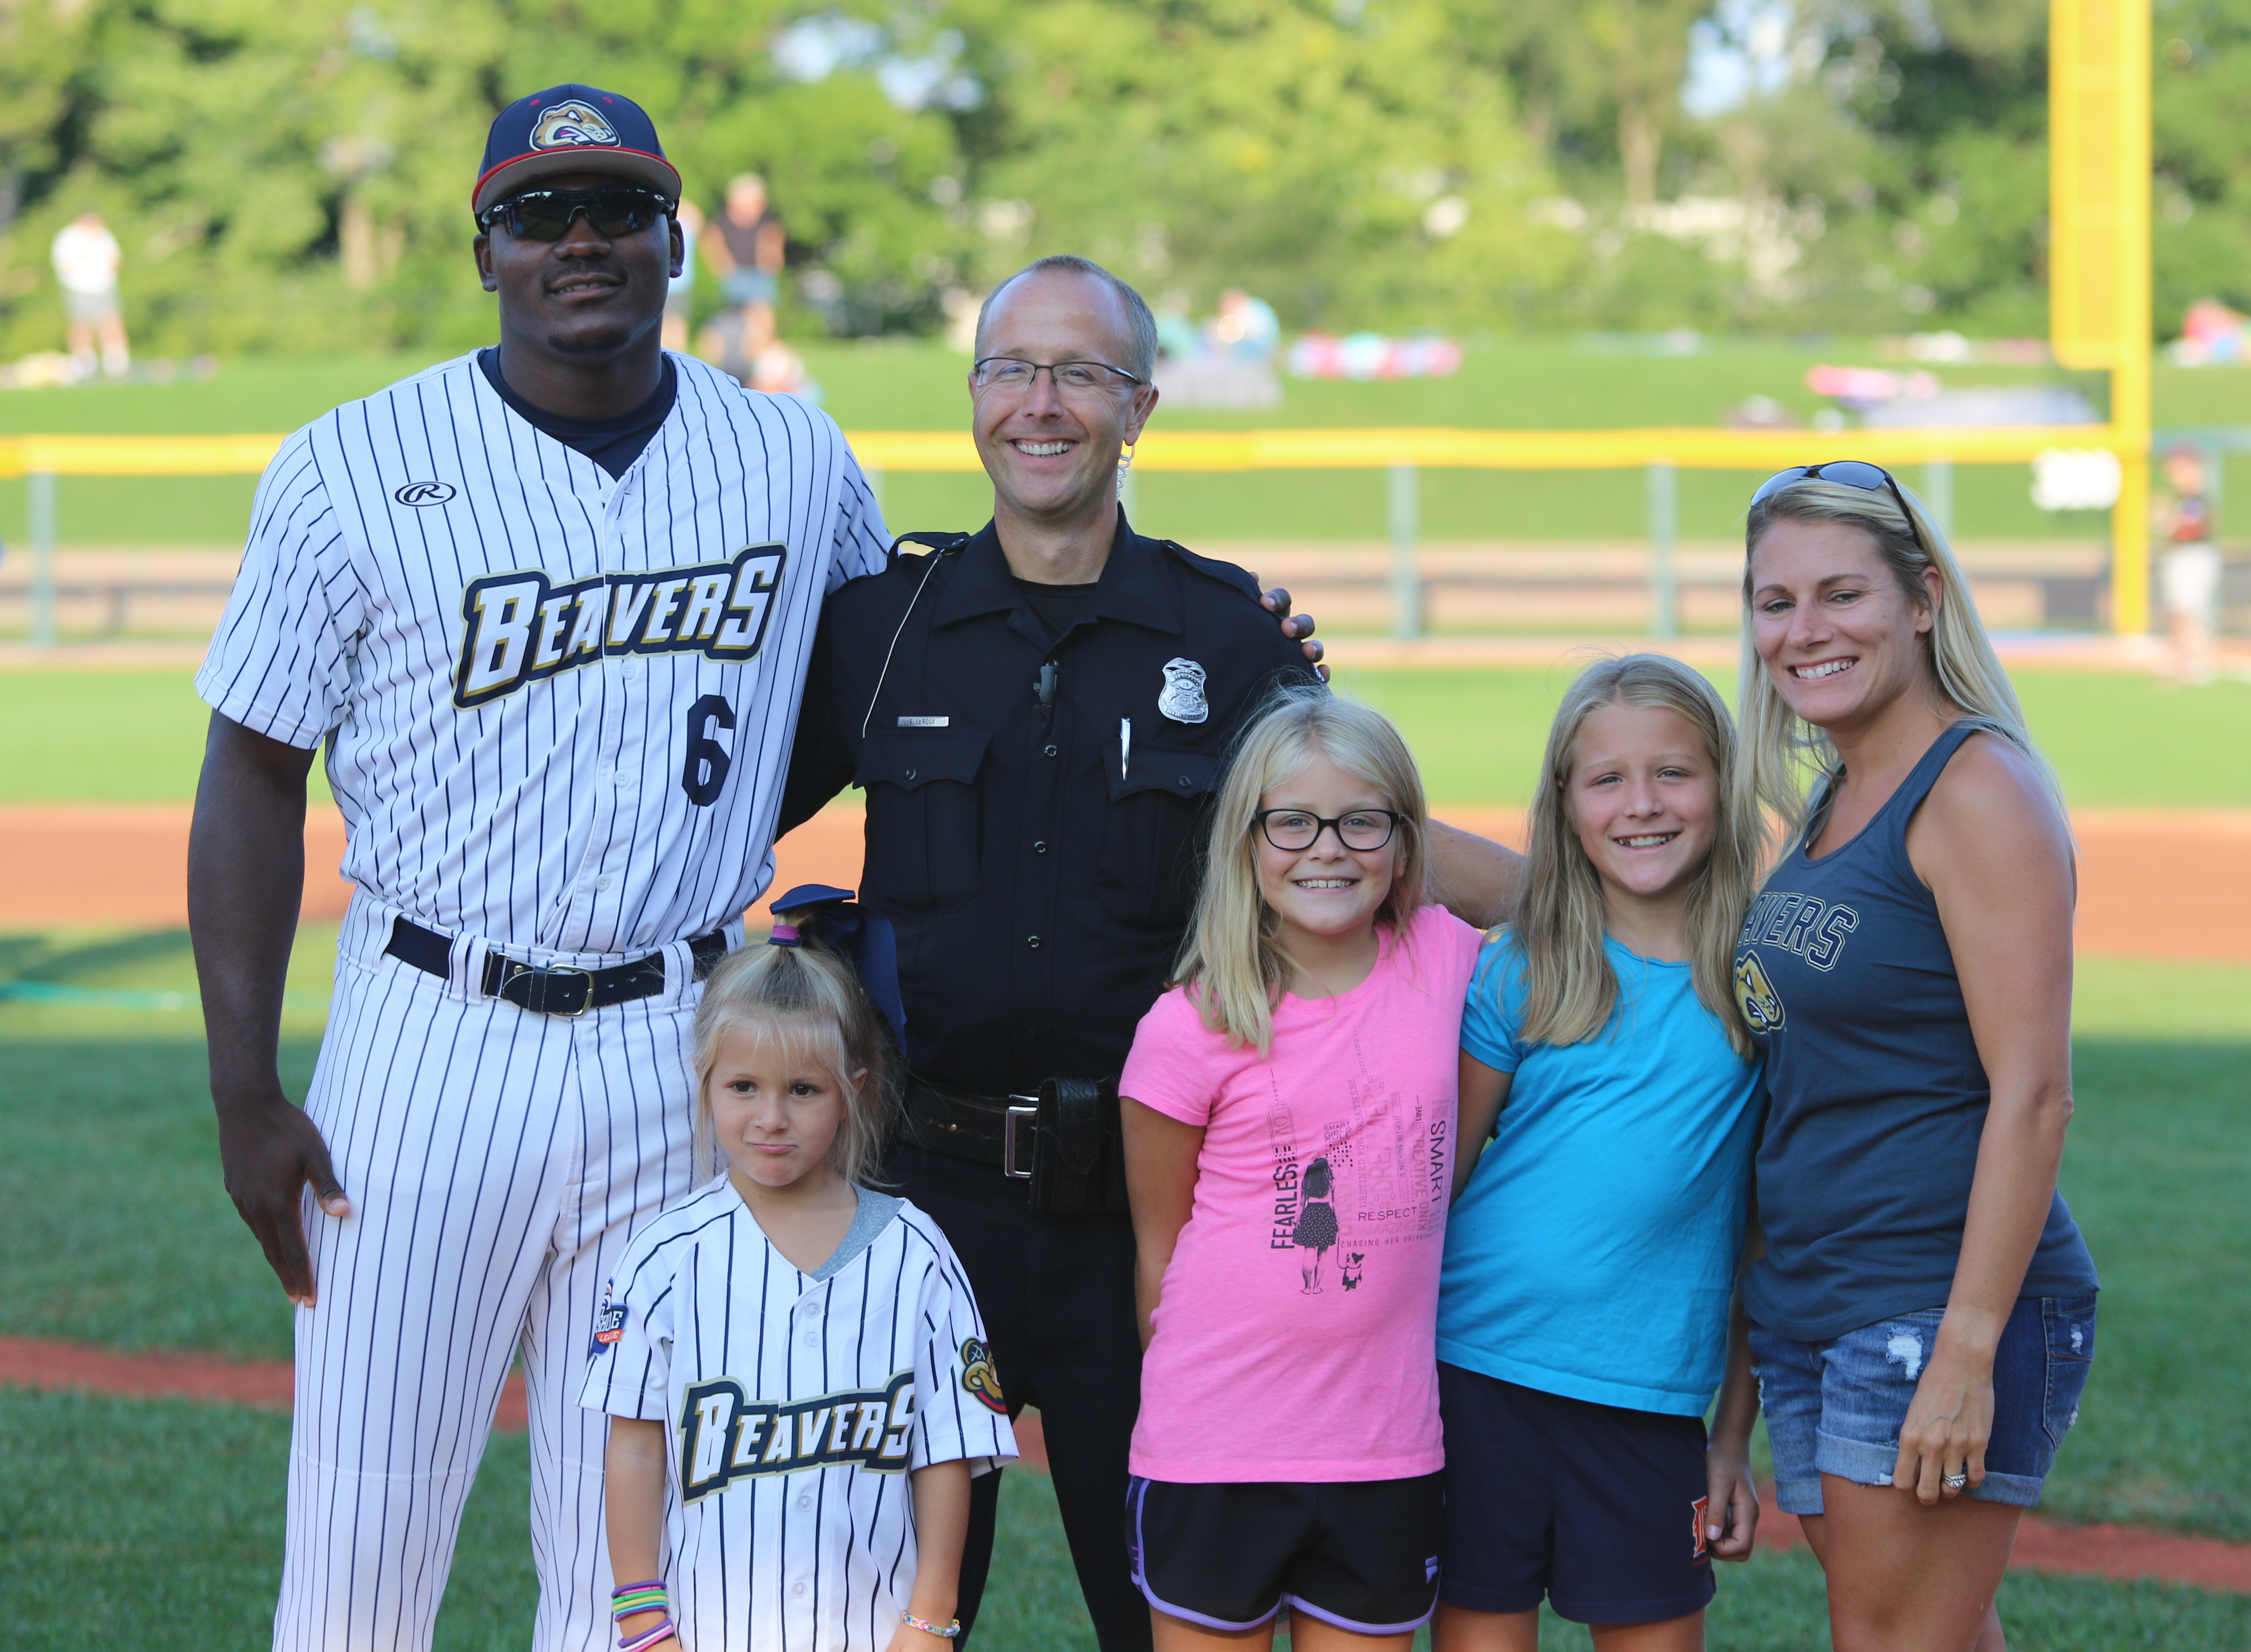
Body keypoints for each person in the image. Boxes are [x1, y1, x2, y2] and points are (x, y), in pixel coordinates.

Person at [187, 82, 891, 1652]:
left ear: (676, 239)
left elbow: (872, 681)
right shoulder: (353, 465)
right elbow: (250, 766)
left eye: (619, 209)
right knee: (363, 1544)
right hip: (433, 1035)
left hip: (685, 1039)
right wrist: (245, 1085)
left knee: (638, 1562)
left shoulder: (788, 457)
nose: (583, 240)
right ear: (486, 249)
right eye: (541, 214)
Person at [774, 253, 1521, 1650]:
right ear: (975, 396)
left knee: (1162, 1615)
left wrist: (1592, 903)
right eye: (1011, 370)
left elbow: (1359, 828)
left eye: (1083, 375)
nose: (1040, 404)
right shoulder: (885, 628)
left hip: (1156, 1223)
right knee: (887, 1610)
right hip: (926, 1210)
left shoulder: (1229, 637)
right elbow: (725, 822)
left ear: (1143, 409)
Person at [1732, 462, 2098, 1652]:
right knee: (1933, 1634)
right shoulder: (1836, 792)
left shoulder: (1975, 788)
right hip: (1816, 1294)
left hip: (1924, 1300)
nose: (1804, 630)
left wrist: (1968, 1346)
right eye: (1775, 601)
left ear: (1925, 597)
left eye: (1843, 594)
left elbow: (2035, 1094)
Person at [1118, 689, 1481, 1649]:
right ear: (1245, 842)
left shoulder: (1447, 960)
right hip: (1217, 1447)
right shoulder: (1191, 1024)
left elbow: (1560, 899)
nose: (1328, 848)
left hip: (1385, 1446)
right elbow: (1160, 1252)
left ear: (1406, 841)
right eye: (1292, 822)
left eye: (1363, 821)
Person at [1434, 654, 1766, 1652]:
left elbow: (1766, 1235)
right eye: (1606, 779)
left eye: (1674, 772)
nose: (1642, 805)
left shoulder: (1759, 988)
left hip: (1648, 1402)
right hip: (1474, 1373)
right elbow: (1436, 1181)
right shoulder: (1526, 968)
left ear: (1722, 786)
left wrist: (1733, 1438)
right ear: (1566, 802)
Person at [589, 894, 1018, 1652]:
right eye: (744, 1086)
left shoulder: (917, 1255)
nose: (771, 1118)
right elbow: (634, 1445)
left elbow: (947, 1453)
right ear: (705, 1082)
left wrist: (932, 1617)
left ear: (853, 1089)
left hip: (876, 1627)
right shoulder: (662, 1259)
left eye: (803, 1090)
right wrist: (641, 1614)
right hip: (708, 1626)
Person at [2155, 446, 2222, 685]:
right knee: (2180, 614)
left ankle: (2196, 664)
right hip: (2182, 556)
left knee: (2191, 613)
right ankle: (2184, 662)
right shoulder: (2183, 499)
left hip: (2194, 557)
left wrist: (2169, 524)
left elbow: (2193, 529)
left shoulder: (2196, 499)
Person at [704, 173, 786, 364]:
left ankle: (761, 360)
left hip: (759, 274)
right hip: (734, 275)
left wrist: (772, 256)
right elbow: (712, 239)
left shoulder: (766, 220)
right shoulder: (723, 219)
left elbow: (775, 237)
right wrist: (721, 262)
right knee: (732, 321)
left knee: (762, 320)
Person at [51, 211, 130, 379]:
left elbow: (116, 259)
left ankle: (116, 363)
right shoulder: (68, 237)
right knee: (82, 324)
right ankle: (84, 364)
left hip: (104, 286)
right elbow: (65, 264)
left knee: (111, 321)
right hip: (78, 287)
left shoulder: (103, 235)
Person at [662, 199, 705, 355]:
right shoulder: (686, 223)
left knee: (672, 322)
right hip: (681, 281)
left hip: (677, 282)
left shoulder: (670, 223)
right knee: (677, 322)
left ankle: (672, 354)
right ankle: (677, 354)